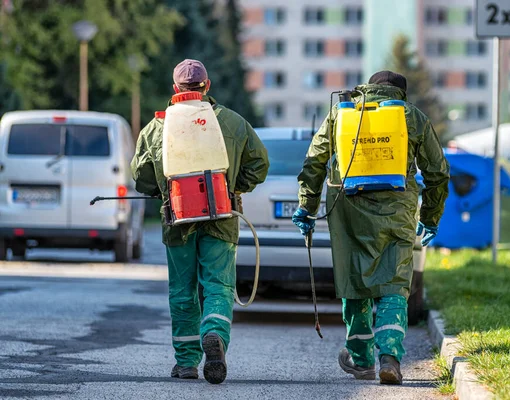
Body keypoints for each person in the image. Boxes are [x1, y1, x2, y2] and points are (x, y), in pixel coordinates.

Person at [292, 71, 449, 385]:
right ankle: (389, 356)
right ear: (399, 93)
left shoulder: (342, 112)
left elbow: (314, 161)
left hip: (347, 207)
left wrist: (306, 207)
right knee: (394, 284)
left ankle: (362, 360)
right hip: (397, 209)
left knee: (354, 281)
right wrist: (430, 217)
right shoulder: (411, 116)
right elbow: (437, 173)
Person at [131, 59, 269, 384]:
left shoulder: (157, 127)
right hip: (222, 217)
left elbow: (140, 175)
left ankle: (186, 363)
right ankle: (215, 333)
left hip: (176, 220)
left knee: (182, 290)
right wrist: (232, 187)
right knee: (218, 285)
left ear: (175, 89)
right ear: (207, 87)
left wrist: (163, 190)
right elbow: (259, 164)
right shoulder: (232, 122)